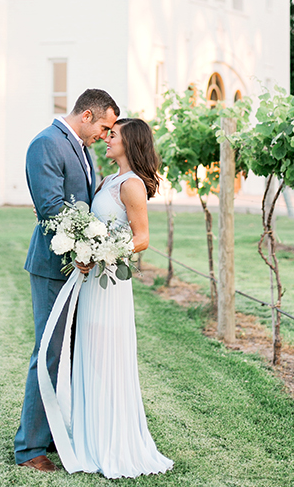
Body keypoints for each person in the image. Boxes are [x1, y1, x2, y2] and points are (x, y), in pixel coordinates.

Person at [40, 117, 173, 478]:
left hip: (110, 281)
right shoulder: (110, 179)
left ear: (130, 143)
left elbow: (142, 238)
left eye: (113, 135)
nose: (107, 138)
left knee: (105, 357)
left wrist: (101, 252)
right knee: (89, 355)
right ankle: (91, 437)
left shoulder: (131, 185)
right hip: (93, 280)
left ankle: (112, 443)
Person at [15, 89, 120, 473]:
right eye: (105, 126)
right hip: (52, 266)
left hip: (78, 268)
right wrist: (85, 246)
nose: (106, 136)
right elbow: (51, 208)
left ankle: (53, 434)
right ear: (87, 115)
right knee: (50, 353)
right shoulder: (46, 143)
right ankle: (29, 449)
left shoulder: (80, 148)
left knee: (69, 354)